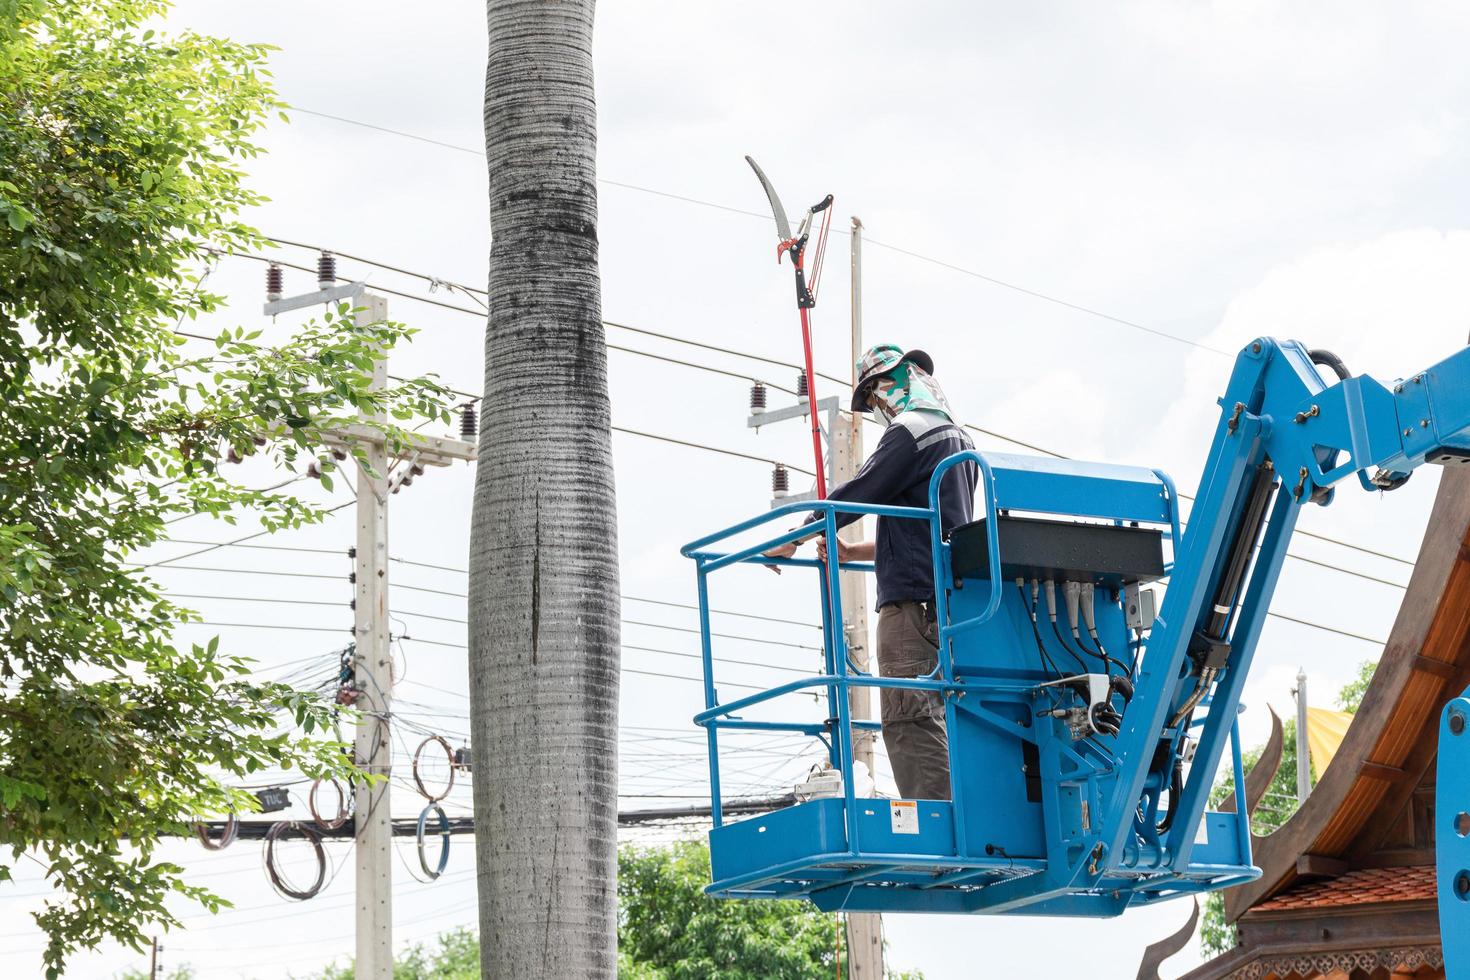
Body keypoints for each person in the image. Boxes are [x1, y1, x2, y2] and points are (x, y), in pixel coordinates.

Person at [764, 344, 977, 801]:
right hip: (952, 604)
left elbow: (858, 491)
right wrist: (852, 551)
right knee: (945, 714)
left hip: (911, 609)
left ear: (889, 385)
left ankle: (935, 826)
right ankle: (959, 816)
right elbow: (933, 530)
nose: (878, 406)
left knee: (909, 716)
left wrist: (795, 536)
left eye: (876, 395)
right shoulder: (960, 439)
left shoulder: (910, 431)